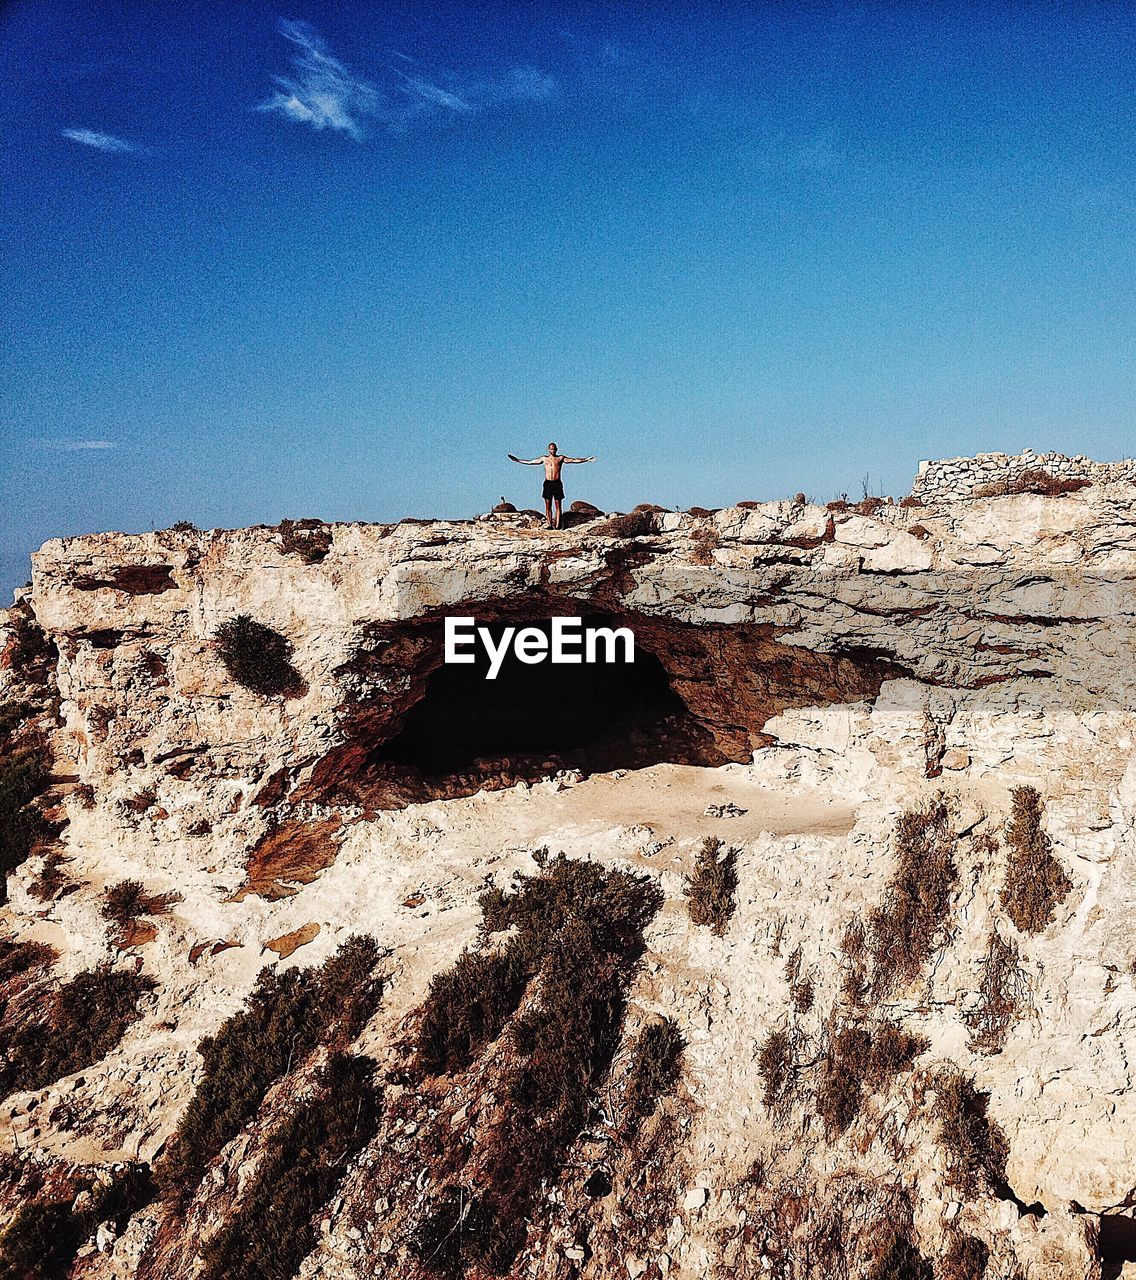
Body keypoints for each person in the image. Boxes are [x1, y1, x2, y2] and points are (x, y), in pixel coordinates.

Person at [507, 443, 595, 529]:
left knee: (558, 505)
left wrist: (586, 459)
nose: (552, 450)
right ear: (549, 450)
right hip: (548, 483)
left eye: (554, 449)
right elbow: (531, 462)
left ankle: (558, 525)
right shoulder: (544, 459)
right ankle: (549, 524)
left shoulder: (560, 458)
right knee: (548, 505)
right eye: (551, 449)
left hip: (557, 483)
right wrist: (518, 460)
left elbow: (574, 460)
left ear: (556, 449)